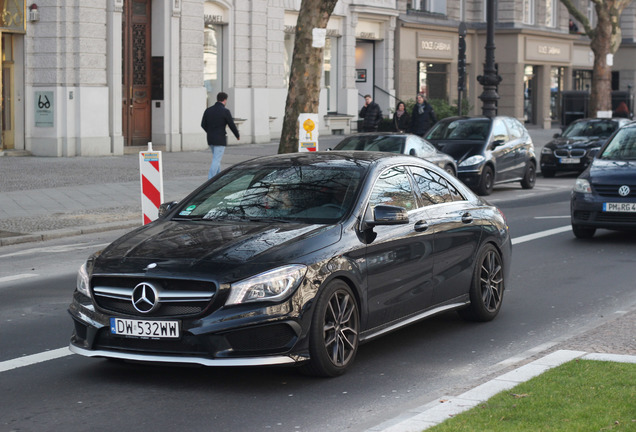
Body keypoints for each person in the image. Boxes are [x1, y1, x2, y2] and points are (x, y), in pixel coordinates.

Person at [201, 91, 240, 179]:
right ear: (225, 100)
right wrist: (237, 135)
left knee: (216, 158)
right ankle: (210, 179)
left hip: (210, 139)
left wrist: (209, 131)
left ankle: (218, 178)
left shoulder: (208, 110)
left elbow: (203, 124)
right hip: (220, 139)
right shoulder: (225, 111)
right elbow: (231, 124)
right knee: (216, 159)